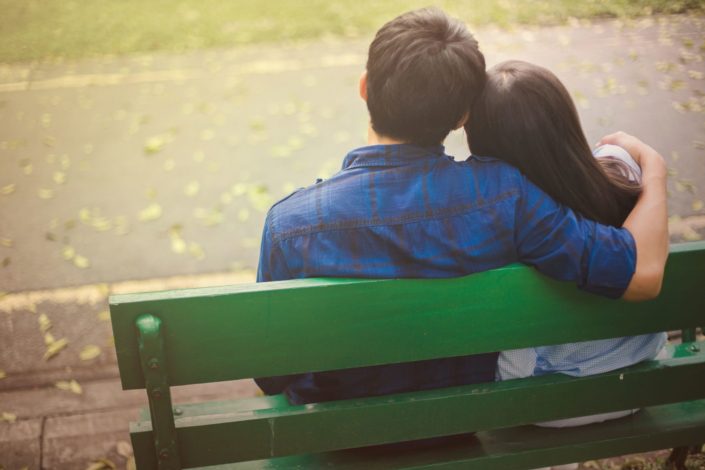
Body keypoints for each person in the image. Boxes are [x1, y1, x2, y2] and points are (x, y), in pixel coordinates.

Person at [255, 8, 668, 419]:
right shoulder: (505, 196)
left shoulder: (288, 227)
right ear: (461, 118)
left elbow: (270, 375)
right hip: (456, 423)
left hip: (335, 433)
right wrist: (654, 171)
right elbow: (630, 270)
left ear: (364, 88)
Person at [465, 60, 669, 430]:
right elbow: (643, 258)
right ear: (565, 120)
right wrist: (655, 171)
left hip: (544, 406)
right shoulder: (628, 172)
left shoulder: (493, 218)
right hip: (637, 382)